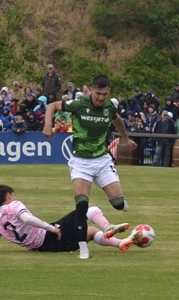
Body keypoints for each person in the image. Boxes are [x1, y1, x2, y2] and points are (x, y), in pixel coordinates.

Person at [42, 74, 136, 259]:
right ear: (91, 90)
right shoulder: (79, 104)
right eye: (98, 93)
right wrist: (48, 125)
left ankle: (115, 197)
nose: (101, 98)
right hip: (80, 162)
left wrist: (125, 138)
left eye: (105, 94)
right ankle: (84, 249)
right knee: (82, 205)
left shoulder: (109, 107)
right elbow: (52, 106)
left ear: (109, 92)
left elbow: (118, 120)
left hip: (101, 161)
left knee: (118, 204)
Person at [0, 185, 140, 257]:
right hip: (48, 235)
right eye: (13, 195)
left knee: (90, 232)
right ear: (9, 196)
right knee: (87, 207)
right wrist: (52, 229)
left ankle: (120, 243)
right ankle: (107, 227)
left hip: (43, 249)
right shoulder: (14, 205)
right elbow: (27, 219)